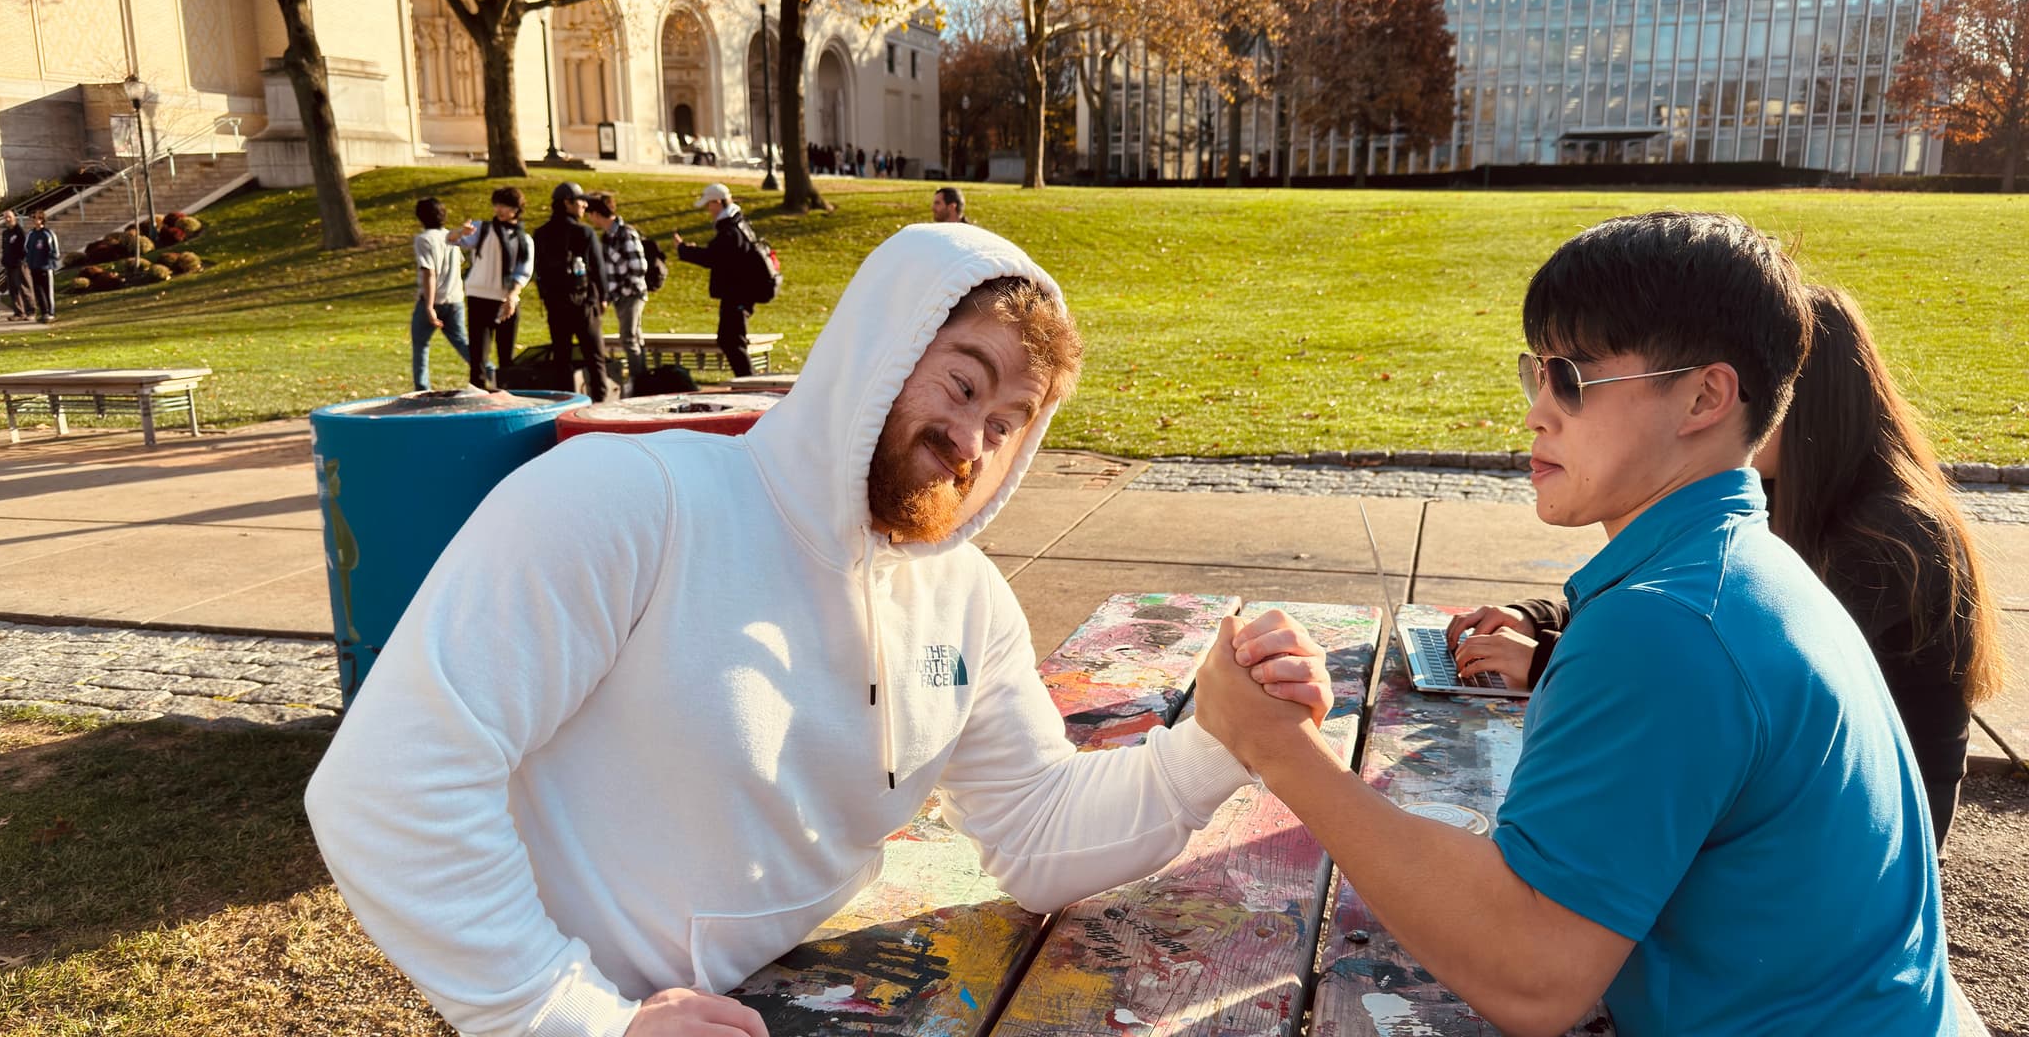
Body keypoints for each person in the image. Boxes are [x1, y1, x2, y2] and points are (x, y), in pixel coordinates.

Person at [305, 223, 1331, 1037]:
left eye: (1008, 421)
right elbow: (388, 787)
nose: (970, 439)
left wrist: (1216, 748)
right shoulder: (628, 499)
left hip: (804, 1002)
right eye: (961, 382)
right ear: (874, 353)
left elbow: (1034, 833)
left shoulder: (963, 597)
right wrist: (569, 1015)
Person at [1193, 212, 1961, 1036]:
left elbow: (1533, 977)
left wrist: (1275, 748)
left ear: (1704, 396)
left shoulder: (1669, 624)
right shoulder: (1738, 565)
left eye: (1573, 380)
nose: (1536, 413)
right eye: (1535, 375)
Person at [1447, 284, 2005, 851]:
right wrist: (1531, 617)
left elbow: (1730, 678)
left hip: (1866, 837)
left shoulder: (1893, 538)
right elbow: (1656, 590)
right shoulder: (1773, 492)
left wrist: (1545, 660)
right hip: (1793, 802)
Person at [532, 181, 610, 403]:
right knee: (595, 357)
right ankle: (600, 403)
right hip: (584, 302)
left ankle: (566, 404)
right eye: (580, 201)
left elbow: (537, 268)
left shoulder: (541, 233)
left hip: (555, 303)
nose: (584, 205)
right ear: (567, 203)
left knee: (562, 357)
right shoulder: (583, 232)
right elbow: (597, 267)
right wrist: (603, 297)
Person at [672, 183, 760, 377]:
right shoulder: (736, 224)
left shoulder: (730, 229)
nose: (708, 210)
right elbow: (719, 255)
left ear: (718, 202)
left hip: (737, 293)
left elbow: (713, 257)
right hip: (738, 292)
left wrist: (684, 250)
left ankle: (748, 381)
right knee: (730, 339)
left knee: (731, 340)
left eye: (709, 204)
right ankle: (747, 379)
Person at [451, 185, 533, 391]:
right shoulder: (483, 229)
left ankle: (507, 396)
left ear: (516, 209)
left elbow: (523, 271)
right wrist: (461, 232)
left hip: (507, 300)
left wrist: (511, 297)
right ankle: (476, 396)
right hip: (480, 296)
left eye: (504, 205)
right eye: (497, 205)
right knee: (478, 354)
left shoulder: (525, 240)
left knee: (506, 355)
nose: (499, 209)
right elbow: (451, 240)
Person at [585, 191, 650, 389]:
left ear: (596, 213)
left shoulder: (625, 233)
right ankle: (642, 378)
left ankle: (638, 381)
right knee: (633, 337)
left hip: (631, 294)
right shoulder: (607, 237)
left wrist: (624, 289)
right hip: (619, 294)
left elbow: (639, 267)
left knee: (629, 338)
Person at [410, 197, 472, 391]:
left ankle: (422, 388)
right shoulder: (450, 236)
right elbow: (459, 262)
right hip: (455, 299)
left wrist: (429, 307)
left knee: (421, 345)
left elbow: (429, 271)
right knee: (462, 343)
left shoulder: (423, 239)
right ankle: (491, 372)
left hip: (433, 300)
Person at [23, 208, 59, 324]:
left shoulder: (48, 234)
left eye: (36, 218)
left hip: (46, 267)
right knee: (38, 292)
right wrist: (28, 261)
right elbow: (26, 249)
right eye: (33, 218)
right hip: (34, 267)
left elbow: (55, 252)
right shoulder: (31, 234)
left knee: (48, 291)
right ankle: (44, 312)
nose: (34, 220)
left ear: (42, 219)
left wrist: (48, 261)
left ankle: (51, 313)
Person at [0, 211, 31, 321]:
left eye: (9, 217)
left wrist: (21, 260)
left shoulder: (19, 231)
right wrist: (4, 260)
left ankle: (30, 311)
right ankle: (19, 312)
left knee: (24, 288)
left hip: (19, 264)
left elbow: (25, 248)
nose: (8, 219)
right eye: (6, 217)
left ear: (14, 218)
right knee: (13, 290)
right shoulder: (5, 233)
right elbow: (4, 248)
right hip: (9, 265)